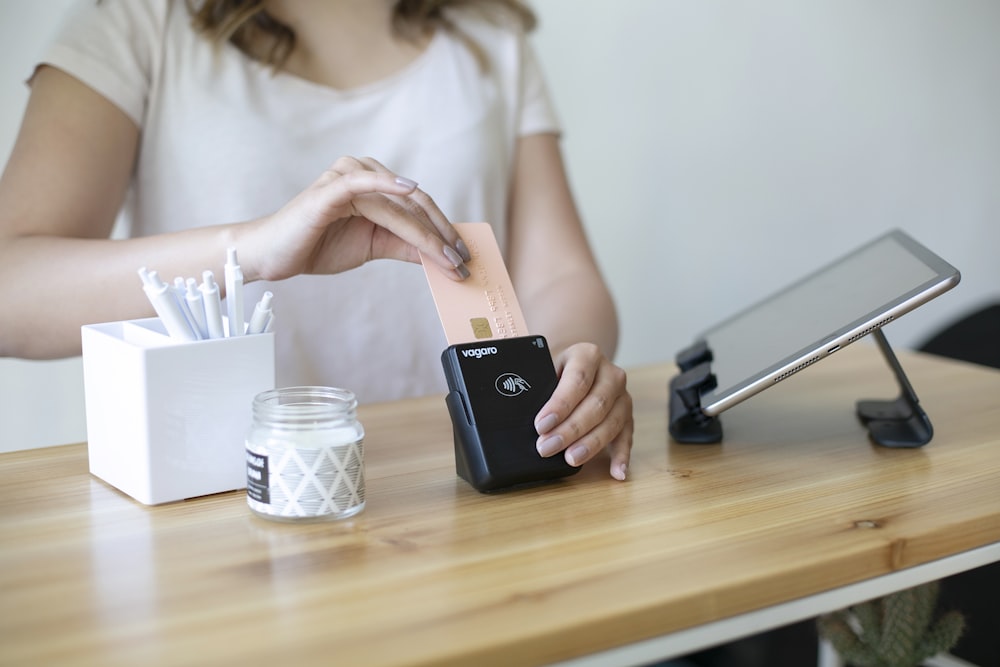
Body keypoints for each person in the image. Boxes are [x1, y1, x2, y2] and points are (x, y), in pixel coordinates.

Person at [0, 0, 632, 480]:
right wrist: (255, 249)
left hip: (449, 490)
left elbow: (559, 276)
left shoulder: (490, 33)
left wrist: (568, 373)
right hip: (221, 497)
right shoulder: (138, 22)